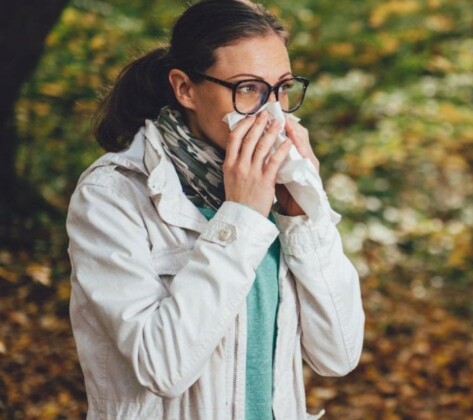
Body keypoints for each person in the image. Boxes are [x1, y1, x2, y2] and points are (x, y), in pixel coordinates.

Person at [66, 1, 364, 419]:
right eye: (248, 89)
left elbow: (339, 355)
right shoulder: (113, 193)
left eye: (281, 88)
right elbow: (162, 368)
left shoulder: (282, 191)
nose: (272, 112)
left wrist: (302, 217)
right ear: (185, 88)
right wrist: (242, 216)